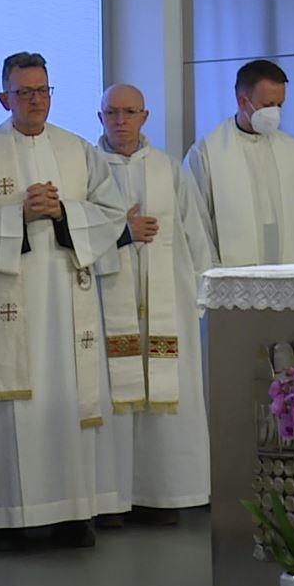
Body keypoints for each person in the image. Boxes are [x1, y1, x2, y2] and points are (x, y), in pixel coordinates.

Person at [0, 52, 132, 550]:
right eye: (24, 92)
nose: (35, 101)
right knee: (16, 411)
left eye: (43, 91)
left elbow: (113, 214)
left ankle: (74, 514)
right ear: (4, 97)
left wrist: (64, 213)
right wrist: (19, 216)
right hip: (10, 307)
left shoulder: (78, 151)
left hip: (69, 300)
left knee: (69, 402)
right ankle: (13, 518)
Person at [95, 84, 212, 526]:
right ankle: (112, 499)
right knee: (113, 399)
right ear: (99, 116)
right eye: (112, 113)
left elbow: (194, 234)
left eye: (129, 112)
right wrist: (119, 230)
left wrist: (198, 295)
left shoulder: (168, 168)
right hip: (108, 305)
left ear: (145, 116)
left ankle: (164, 494)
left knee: (167, 395)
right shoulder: (88, 169)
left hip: (167, 305)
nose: (120, 121)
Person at [185, 59, 294, 266]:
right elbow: (196, 224)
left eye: (280, 105)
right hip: (232, 284)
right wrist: (213, 277)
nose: (275, 113)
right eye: (267, 105)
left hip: (289, 280)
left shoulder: (291, 150)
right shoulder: (207, 152)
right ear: (243, 102)